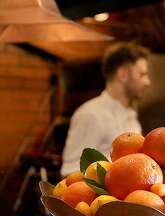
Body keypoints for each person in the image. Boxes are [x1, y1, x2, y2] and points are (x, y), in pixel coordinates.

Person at [60, 42, 151, 176]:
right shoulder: (91, 114)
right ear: (123, 74)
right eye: (142, 74)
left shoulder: (130, 115)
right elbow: (70, 172)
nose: (147, 82)